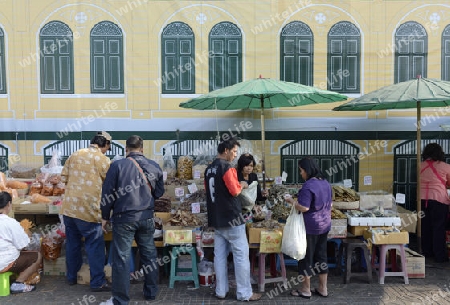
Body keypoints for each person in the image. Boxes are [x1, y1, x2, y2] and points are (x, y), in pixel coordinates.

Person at [100, 135, 165, 305]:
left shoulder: (117, 166)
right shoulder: (154, 166)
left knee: (121, 259)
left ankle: (121, 300)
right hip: (146, 217)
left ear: (126, 149)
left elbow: (107, 194)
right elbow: (159, 193)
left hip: (124, 218)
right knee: (149, 255)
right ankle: (151, 292)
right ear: (142, 149)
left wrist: (104, 216)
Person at [204, 138, 262, 302]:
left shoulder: (208, 169)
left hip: (216, 219)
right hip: (232, 219)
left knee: (219, 256)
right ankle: (244, 293)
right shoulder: (227, 167)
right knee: (241, 256)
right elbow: (235, 191)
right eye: (235, 152)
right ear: (227, 150)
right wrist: (243, 184)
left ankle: (220, 291)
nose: (235, 155)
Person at [60, 131, 112, 291]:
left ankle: (71, 277)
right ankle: (97, 282)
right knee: (94, 245)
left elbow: (64, 178)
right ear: (105, 144)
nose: (107, 151)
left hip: (69, 208)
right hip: (88, 209)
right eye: (108, 147)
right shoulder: (103, 160)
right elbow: (109, 184)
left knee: (73, 244)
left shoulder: (75, 154)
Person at [285, 157, 332, 299]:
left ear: (307, 170)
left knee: (305, 258)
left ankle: (306, 290)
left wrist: (291, 201)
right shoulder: (325, 183)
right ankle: (323, 289)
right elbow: (331, 204)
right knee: (322, 256)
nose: (301, 173)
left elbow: (304, 207)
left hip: (310, 227)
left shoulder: (308, 185)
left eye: (301, 170)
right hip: (325, 224)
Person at [0, 191, 43, 294]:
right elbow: (23, 245)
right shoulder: (10, 223)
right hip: (4, 263)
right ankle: (18, 283)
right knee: (37, 256)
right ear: (9, 204)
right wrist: (27, 234)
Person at [420, 142, 450, 263]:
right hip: (439, 199)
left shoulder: (420, 166)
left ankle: (427, 252)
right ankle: (440, 256)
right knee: (439, 227)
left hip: (421, 200)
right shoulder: (446, 166)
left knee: (425, 226)